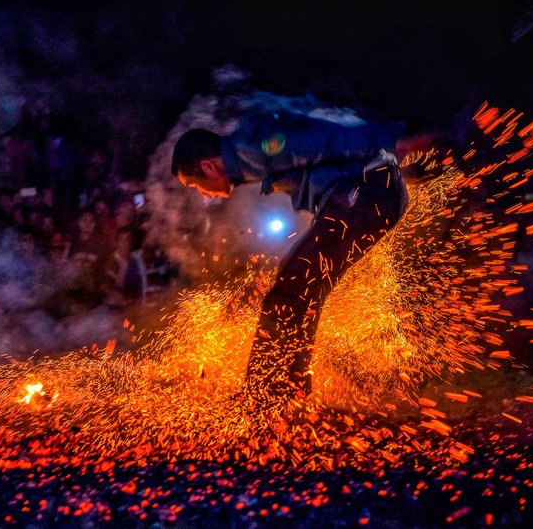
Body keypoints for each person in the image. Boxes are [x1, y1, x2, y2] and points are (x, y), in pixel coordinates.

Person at [171, 109, 409, 409]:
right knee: (301, 288)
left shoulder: (252, 146)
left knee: (290, 288)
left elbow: (327, 140)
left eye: (195, 186)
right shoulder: (247, 159)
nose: (203, 195)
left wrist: (398, 140)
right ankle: (287, 391)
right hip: (371, 196)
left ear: (208, 166)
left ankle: (266, 395)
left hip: (365, 197)